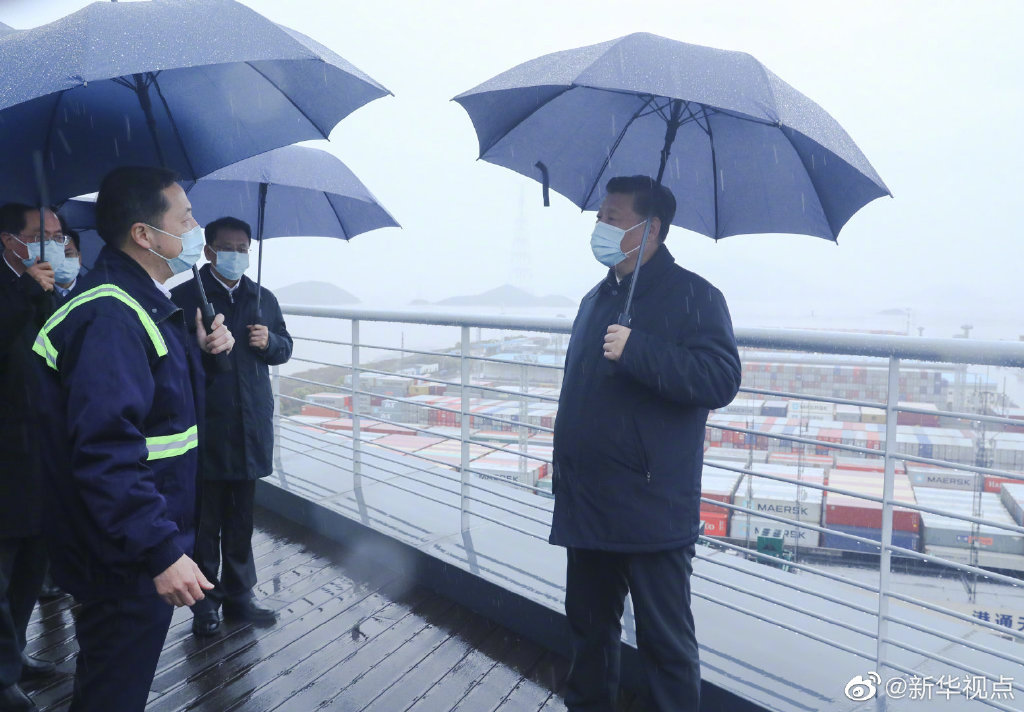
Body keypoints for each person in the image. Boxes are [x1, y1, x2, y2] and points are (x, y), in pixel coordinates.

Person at [30, 166, 234, 712]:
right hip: (124, 554)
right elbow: (106, 451)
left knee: (111, 680)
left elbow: (157, 411)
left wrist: (204, 357)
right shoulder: (112, 316)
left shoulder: (140, 303)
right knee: (114, 691)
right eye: (185, 219)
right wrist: (161, 551)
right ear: (145, 234)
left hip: (131, 539)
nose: (195, 230)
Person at [549, 176, 742, 712]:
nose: (599, 228)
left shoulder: (695, 296)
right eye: (599, 218)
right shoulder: (596, 298)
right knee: (589, 633)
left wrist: (639, 350)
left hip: (651, 508)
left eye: (612, 219)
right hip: (589, 500)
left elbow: (720, 379)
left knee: (665, 645)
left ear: (650, 228)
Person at [170, 216, 293, 636]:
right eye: (228, 248)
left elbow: (285, 346)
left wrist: (269, 343)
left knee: (241, 520)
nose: (236, 255)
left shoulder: (263, 298)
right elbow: (169, 361)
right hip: (206, 426)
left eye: (243, 248)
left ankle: (241, 596)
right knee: (205, 523)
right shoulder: (185, 297)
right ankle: (205, 603)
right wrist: (200, 349)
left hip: (250, 424)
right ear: (209, 251)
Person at [0, 204, 61, 712]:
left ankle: (15, 652)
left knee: (31, 563)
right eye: (42, 235)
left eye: (59, 236)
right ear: (9, 240)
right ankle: (1, 677)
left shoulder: (46, 289)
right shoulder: (17, 288)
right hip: (5, 452)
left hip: (45, 448)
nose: (53, 245)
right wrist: (25, 291)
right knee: (2, 567)